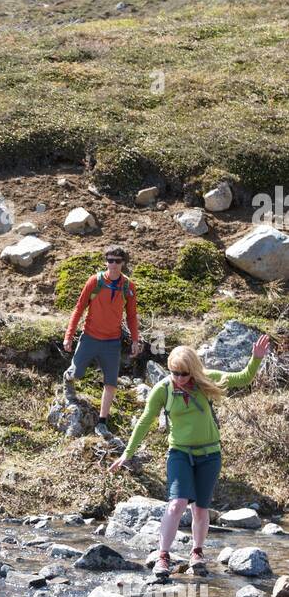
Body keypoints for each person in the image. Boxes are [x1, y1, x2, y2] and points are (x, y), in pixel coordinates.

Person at [110, 334, 270, 579]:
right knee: (176, 504)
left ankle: (197, 552)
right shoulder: (163, 389)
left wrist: (255, 359)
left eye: (184, 374)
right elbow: (144, 421)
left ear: (193, 370)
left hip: (210, 455)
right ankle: (163, 556)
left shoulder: (206, 379)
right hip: (180, 453)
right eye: (175, 372)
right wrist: (127, 454)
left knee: (201, 510)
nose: (179, 378)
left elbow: (243, 378)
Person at [62, 246, 142, 439]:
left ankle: (102, 422)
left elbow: (131, 316)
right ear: (105, 261)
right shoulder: (95, 281)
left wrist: (135, 340)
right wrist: (68, 335)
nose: (113, 264)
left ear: (124, 263)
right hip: (89, 337)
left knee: (111, 383)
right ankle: (68, 378)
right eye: (110, 260)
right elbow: (79, 308)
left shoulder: (128, 286)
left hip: (112, 342)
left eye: (117, 261)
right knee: (77, 373)